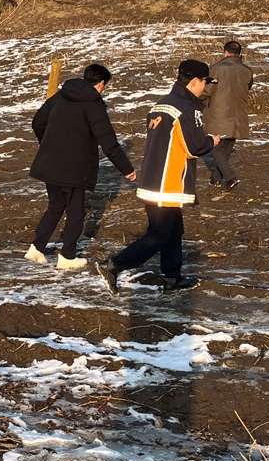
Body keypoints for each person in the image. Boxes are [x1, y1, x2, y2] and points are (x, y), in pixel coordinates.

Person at [97, 60, 219, 294]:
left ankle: (173, 278)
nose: (205, 88)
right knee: (159, 235)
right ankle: (113, 265)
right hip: (168, 182)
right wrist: (210, 141)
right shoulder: (187, 108)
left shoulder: (160, 105)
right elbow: (194, 147)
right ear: (195, 82)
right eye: (205, 82)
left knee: (173, 231)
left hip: (154, 178)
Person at [26, 63, 137, 270]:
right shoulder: (93, 105)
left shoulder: (61, 95)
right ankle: (67, 256)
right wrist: (127, 170)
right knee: (76, 212)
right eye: (105, 86)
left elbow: (37, 123)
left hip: (50, 163)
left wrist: (49, 145)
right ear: (101, 83)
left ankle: (36, 248)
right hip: (74, 168)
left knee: (55, 206)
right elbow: (109, 143)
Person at [203, 39, 254, 189]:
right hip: (239, 114)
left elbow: (208, 90)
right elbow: (248, 86)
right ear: (239, 54)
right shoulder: (247, 70)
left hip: (219, 113)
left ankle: (230, 178)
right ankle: (216, 178)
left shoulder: (217, 68)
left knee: (216, 148)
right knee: (226, 148)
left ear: (225, 52)